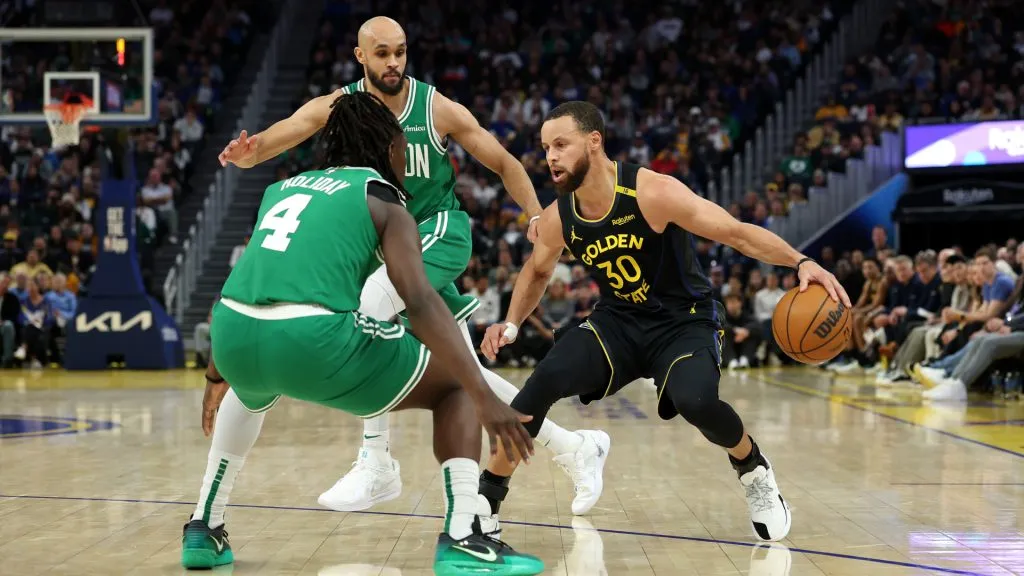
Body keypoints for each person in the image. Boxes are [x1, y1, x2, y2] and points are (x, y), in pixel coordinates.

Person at [216, 16, 606, 515]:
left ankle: (376, 460)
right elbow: (287, 132)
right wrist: (250, 155)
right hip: (387, 248)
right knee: (465, 373)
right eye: (382, 53)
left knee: (369, 301)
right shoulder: (344, 105)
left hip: (436, 233)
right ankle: (575, 448)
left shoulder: (434, 106)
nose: (394, 62)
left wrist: (534, 216)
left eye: (400, 51)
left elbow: (506, 162)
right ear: (361, 57)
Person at [183, 92, 544, 575]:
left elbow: (250, 286)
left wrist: (214, 376)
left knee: (248, 394)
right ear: (386, 145)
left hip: (230, 334)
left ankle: (204, 526)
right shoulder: (383, 196)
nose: (402, 157)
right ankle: (464, 536)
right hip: (311, 339)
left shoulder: (283, 190)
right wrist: (483, 396)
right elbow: (417, 301)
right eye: (399, 146)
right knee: (455, 381)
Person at [476, 101, 850, 542]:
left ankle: (753, 469)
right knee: (538, 386)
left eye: (561, 144)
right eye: (545, 147)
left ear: (594, 143)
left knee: (696, 401)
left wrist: (800, 260)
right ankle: (484, 505)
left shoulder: (653, 192)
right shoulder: (561, 216)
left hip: (683, 321)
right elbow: (538, 271)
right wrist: (513, 323)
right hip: (618, 322)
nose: (551, 156)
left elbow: (736, 232)